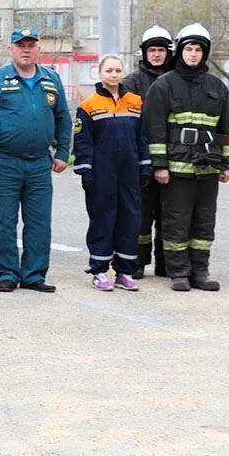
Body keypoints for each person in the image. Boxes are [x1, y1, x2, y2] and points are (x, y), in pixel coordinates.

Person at [0, 27, 71, 293]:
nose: (26, 49)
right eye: (20, 45)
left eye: (31, 45)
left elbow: (63, 119)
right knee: (3, 221)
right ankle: (7, 274)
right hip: (5, 162)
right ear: (11, 49)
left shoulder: (51, 80)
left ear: (38, 49)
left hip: (39, 163)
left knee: (39, 221)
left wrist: (62, 153)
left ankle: (34, 274)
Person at [143, 23, 229, 291]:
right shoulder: (163, 85)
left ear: (205, 53)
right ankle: (178, 272)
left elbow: (225, 130)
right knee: (176, 222)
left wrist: (226, 164)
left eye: (198, 50)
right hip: (176, 168)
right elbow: (154, 129)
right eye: (189, 49)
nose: (193, 54)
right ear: (180, 51)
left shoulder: (218, 87)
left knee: (204, 223)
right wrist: (160, 165)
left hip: (208, 168)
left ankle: (200, 272)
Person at [72, 55, 150, 291]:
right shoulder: (89, 105)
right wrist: (86, 170)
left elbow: (143, 137)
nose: (114, 74)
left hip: (129, 171)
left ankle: (125, 272)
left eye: (118, 70)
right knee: (103, 218)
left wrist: (145, 166)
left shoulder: (136, 102)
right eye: (109, 70)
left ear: (123, 72)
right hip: (102, 171)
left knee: (130, 218)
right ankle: (99, 271)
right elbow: (83, 141)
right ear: (100, 73)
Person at [123, 26, 174, 278]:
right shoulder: (131, 83)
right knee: (141, 215)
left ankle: (165, 264)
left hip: (172, 160)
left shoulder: (177, 79)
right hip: (140, 159)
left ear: (169, 52)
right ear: (143, 53)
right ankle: (138, 262)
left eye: (161, 50)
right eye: (152, 50)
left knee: (168, 215)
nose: (156, 55)